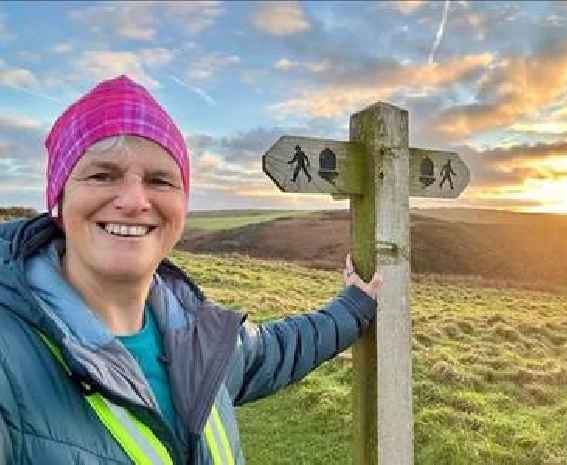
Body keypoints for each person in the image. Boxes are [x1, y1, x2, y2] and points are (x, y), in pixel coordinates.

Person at [0, 75, 382, 465]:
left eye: (160, 180)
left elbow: (275, 350)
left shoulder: (196, 332)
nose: (134, 201)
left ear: (182, 207)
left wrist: (353, 306)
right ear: (59, 201)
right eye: (102, 175)